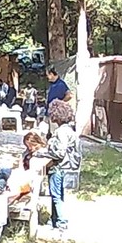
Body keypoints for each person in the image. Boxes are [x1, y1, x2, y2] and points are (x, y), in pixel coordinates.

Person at [40, 99, 80, 233]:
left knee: (56, 195)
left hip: (58, 168)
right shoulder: (70, 130)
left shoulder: (61, 132)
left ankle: (61, 222)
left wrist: (44, 153)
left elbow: (60, 152)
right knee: (58, 195)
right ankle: (54, 220)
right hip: (67, 168)